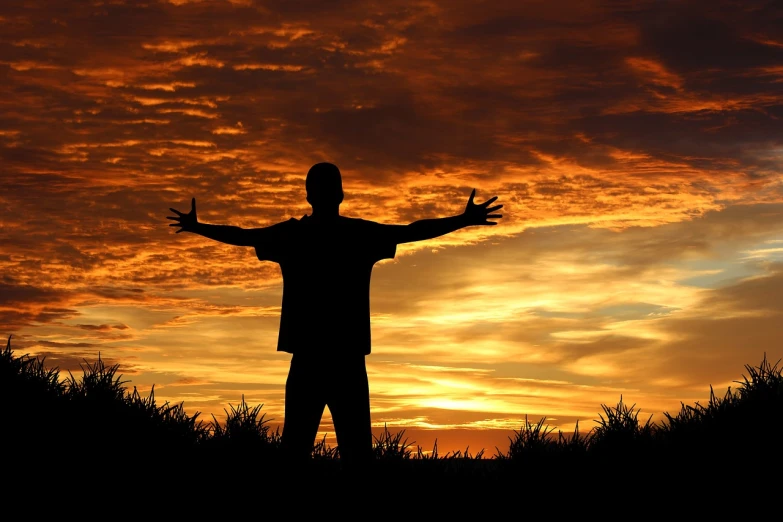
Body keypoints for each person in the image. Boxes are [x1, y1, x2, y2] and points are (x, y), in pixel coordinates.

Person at [167, 162, 502, 468]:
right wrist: (463, 220)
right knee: (354, 457)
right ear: (340, 194)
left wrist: (199, 228)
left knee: (296, 454)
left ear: (309, 195)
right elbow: (411, 230)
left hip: (310, 360)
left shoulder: (294, 235)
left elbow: (243, 235)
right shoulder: (356, 234)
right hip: (345, 361)